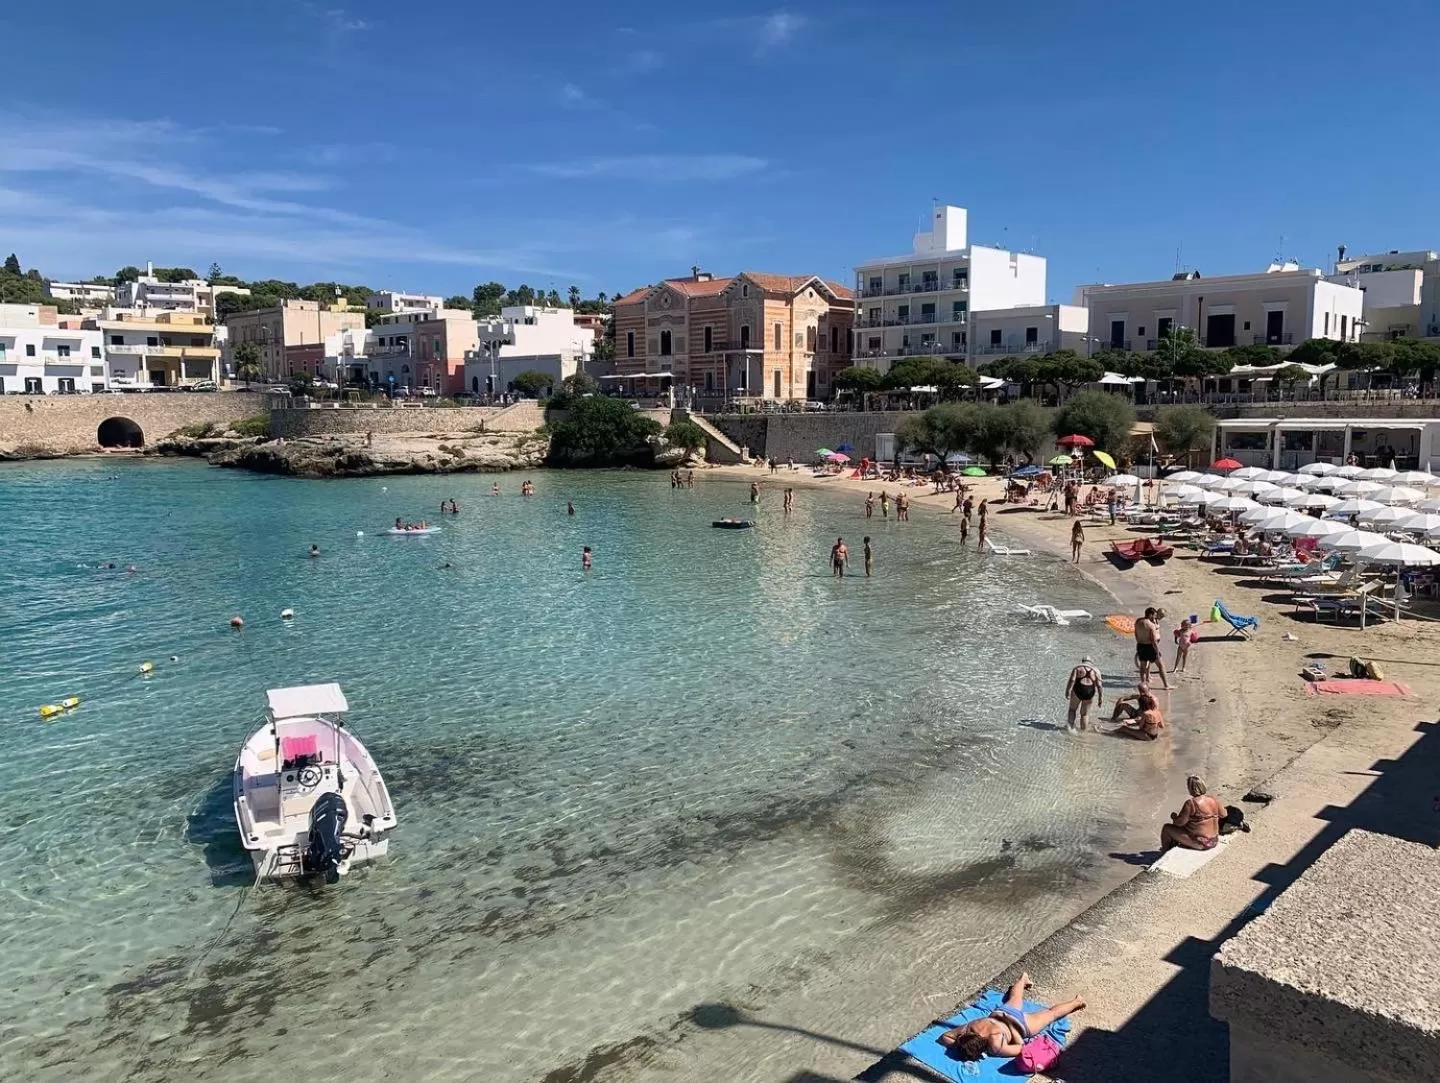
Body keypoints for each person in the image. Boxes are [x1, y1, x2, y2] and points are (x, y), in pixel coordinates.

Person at [938, 973, 1086, 1062]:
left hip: (1021, 1025)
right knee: (1015, 996)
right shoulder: (969, 1028)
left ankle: (1077, 1002)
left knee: (1051, 1013)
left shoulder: (995, 1046)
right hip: (1003, 1013)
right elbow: (945, 1036)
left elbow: (1020, 1046)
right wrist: (960, 1043)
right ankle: (1023, 979)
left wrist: (1011, 1028)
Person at [1161, 775, 1225, 852]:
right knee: (1189, 825)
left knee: (1167, 828)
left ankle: (1164, 852)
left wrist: (1174, 817)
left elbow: (1179, 823)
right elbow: (1224, 814)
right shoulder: (1213, 799)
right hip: (1214, 840)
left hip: (1201, 843)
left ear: (1190, 788)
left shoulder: (1191, 803)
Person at [1134, 608, 1170, 689]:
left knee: (1143, 667)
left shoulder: (1138, 621)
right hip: (1150, 647)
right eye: (1155, 614)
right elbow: (1153, 640)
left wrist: (1139, 643)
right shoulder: (1151, 625)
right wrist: (1157, 651)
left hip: (1140, 645)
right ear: (1150, 615)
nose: (1156, 616)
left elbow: (1136, 634)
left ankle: (1144, 685)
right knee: (1161, 666)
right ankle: (1166, 685)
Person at [1065, 656, 1103, 731]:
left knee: (1072, 709)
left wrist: (1068, 691)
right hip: (1090, 692)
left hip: (1078, 689)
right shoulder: (1096, 670)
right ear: (1091, 662)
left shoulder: (1077, 668)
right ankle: (1083, 732)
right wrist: (1100, 698)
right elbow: (1099, 685)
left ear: (1082, 661)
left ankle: (1070, 728)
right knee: (1085, 714)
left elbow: (1072, 680)